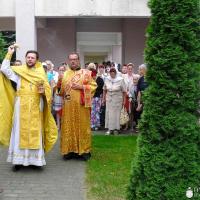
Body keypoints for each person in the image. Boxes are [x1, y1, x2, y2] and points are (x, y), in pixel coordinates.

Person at [0, 45, 58, 171]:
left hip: (37, 105)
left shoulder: (40, 73)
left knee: (35, 131)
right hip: (21, 105)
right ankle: (18, 161)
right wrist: (9, 53)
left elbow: (47, 90)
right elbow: (4, 69)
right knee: (19, 131)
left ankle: (35, 162)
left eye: (32, 58)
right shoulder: (19, 71)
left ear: (36, 60)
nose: (30, 59)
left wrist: (44, 92)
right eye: (28, 57)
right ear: (25, 58)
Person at [59, 52, 97, 161]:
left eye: (75, 59)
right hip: (68, 107)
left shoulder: (86, 73)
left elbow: (94, 87)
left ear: (78, 60)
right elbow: (61, 91)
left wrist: (81, 86)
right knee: (68, 127)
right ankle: (69, 150)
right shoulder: (65, 74)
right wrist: (57, 85)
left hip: (82, 107)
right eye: (71, 59)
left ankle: (84, 151)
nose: (73, 61)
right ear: (68, 61)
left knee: (82, 127)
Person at [102, 68, 126, 135]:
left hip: (117, 99)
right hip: (109, 99)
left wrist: (124, 100)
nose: (112, 74)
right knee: (109, 114)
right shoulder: (107, 79)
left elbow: (124, 91)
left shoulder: (120, 80)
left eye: (113, 73)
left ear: (115, 73)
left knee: (116, 114)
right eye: (111, 73)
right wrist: (103, 99)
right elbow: (104, 89)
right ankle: (110, 129)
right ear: (109, 73)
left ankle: (116, 129)